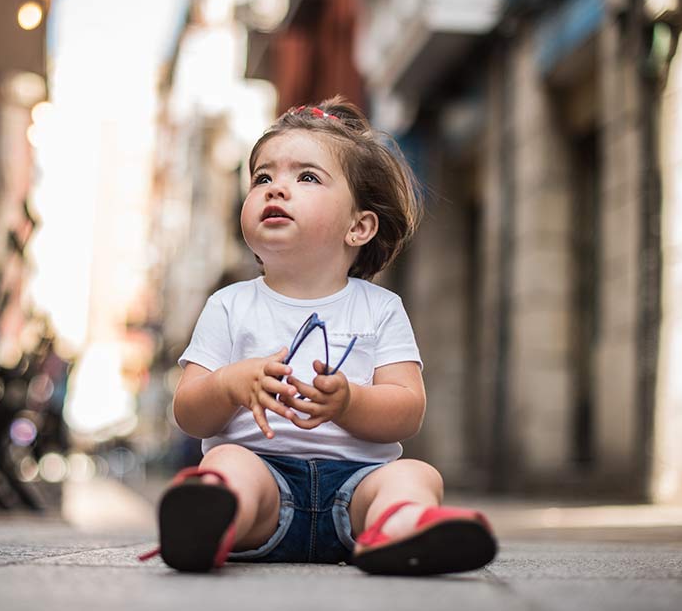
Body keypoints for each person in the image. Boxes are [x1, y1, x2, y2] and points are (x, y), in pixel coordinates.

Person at [140, 97, 497, 575]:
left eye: (306, 177)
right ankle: (212, 521)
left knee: (416, 474)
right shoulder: (228, 304)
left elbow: (408, 409)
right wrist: (228, 385)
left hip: (358, 490)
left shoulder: (381, 308)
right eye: (263, 178)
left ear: (359, 226)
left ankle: (398, 528)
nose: (277, 189)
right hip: (265, 480)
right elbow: (188, 412)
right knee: (228, 463)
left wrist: (349, 403)